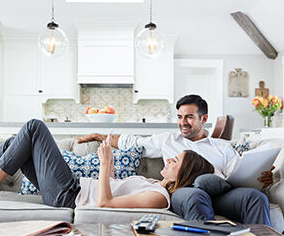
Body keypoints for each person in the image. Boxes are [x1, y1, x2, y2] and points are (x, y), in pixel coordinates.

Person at [76, 94, 273, 225]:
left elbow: (236, 173)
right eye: (179, 117)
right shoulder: (168, 140)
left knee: (255, 198)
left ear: (203, 119)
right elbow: (132, 142)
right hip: (184, 191)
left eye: (188, 117)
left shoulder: (222, 147)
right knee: (196, 196)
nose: (182, 123)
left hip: (220, 194)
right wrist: (98, 136)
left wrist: (259, 177)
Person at [0, 119, 214, 210]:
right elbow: (116, 192)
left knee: (34, 127)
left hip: (68, 196)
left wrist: (104, 164)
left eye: (175, 160)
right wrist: (112, 168)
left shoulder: (159, 197)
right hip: (71, 188)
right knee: (11, 144)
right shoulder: (154, 184)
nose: (169, 159)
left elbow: (104, 204)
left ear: (184, 173)